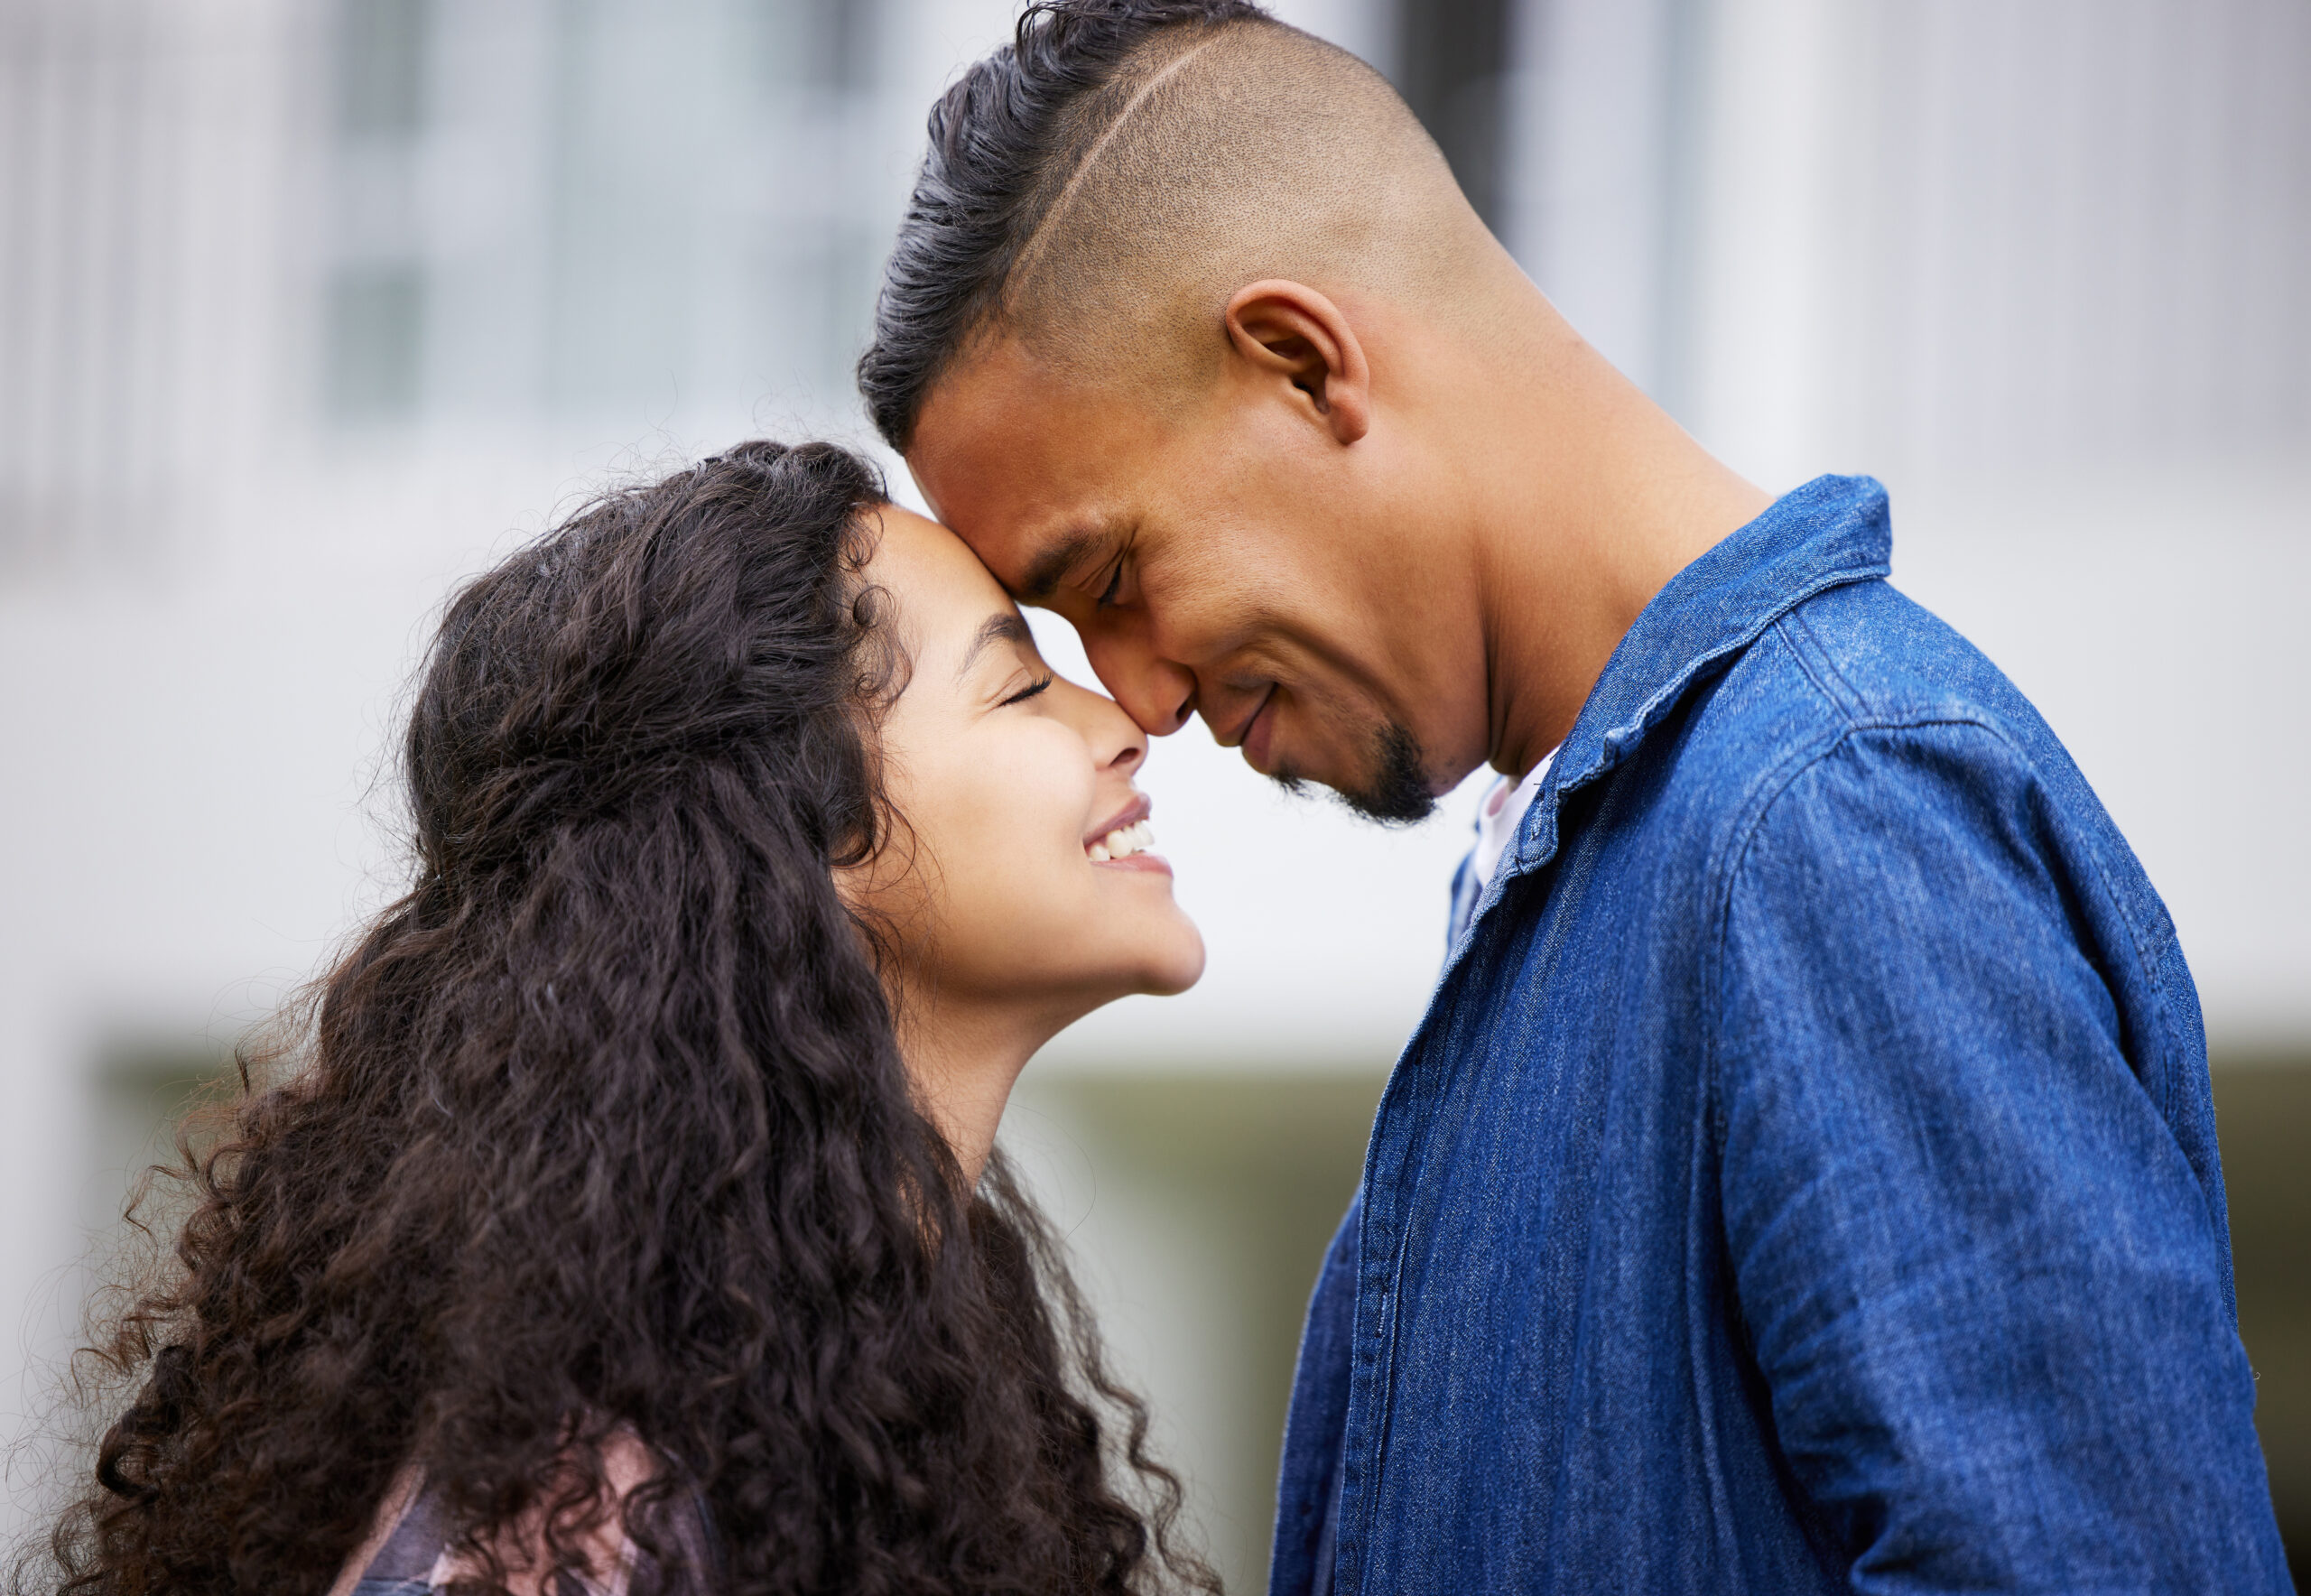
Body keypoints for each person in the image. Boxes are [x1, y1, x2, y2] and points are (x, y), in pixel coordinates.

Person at [859, 3, 2297, 1591]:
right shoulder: (1616, 866)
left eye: (1116, 573)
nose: (1134, 698)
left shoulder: (1830, 817)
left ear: (1301, 364)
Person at [32, 441, 1220, 1596]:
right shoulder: (576, 1522)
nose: (1126, 719)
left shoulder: (881, 1381)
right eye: (1019, 686)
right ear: (812, 839)